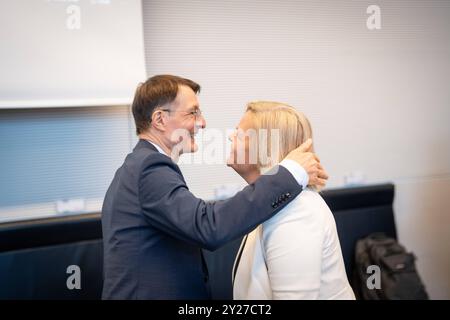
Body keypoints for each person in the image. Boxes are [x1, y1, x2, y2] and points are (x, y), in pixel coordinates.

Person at [101, 75, 328, 299]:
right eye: (193, 112)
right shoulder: (149, 167)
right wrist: (290, 173)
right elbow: (208, 226)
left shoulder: (138, 166)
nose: (202, 122)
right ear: (160, 120)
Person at [229, 101, 355, 300]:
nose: (230, 136)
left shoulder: (295, 210)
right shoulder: (270, 202)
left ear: (264, 146)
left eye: (239, 133)